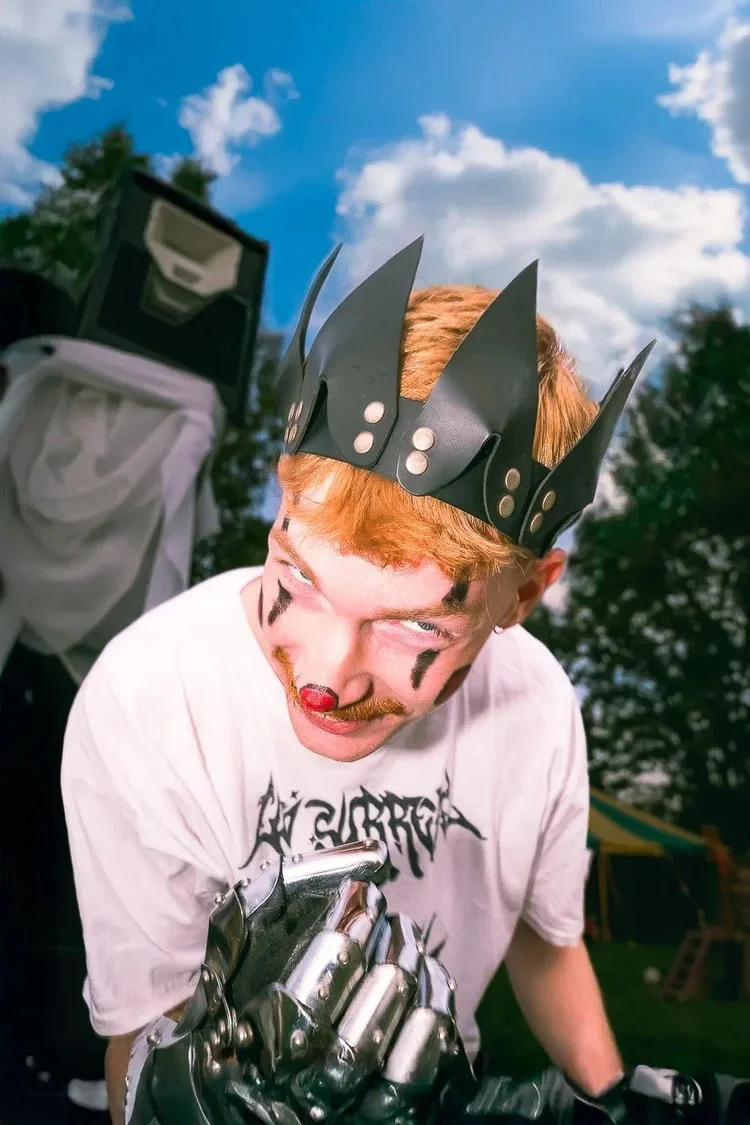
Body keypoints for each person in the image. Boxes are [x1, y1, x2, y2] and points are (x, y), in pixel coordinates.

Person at [61, 240, 654, 1125]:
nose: (327, 678)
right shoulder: (150, 699)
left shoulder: (538, 705)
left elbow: (545, 937)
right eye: (298, 580)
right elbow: (143, 1036)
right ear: (279, 503)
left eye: (416, 623)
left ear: (523, 594)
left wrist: (617, 1108)